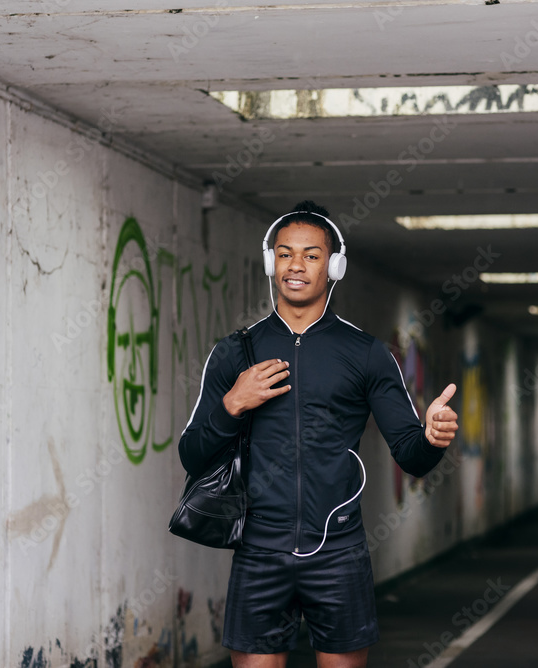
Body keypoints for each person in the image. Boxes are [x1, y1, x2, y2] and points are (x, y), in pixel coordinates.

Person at [178, 201, 459, 668]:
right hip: (259, 550)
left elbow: (411, 456)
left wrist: (431, 438)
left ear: (334, 266)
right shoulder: (234, 352)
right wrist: (232, 405)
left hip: (338, 550)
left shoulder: (366, 354)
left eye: (311, 255)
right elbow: (192, 455)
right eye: (285, 253)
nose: (296, 265)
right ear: (270, 262)